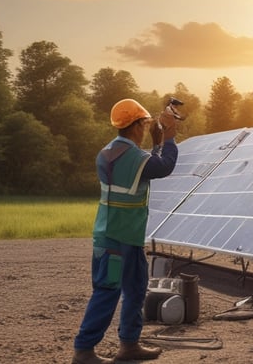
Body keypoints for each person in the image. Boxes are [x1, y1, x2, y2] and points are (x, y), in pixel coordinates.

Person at [72, 98, 179, 364]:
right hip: (117, 239)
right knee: (108, 290)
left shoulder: (107, 151)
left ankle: (129, 345)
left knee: (135, 288)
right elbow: (162, 167)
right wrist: (170, 138)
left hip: (122, 235)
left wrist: (156, 143)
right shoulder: (132, 155)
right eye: (143, 124)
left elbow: (144, 168)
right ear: (135, 126)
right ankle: (84, 351)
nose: (144, 129)